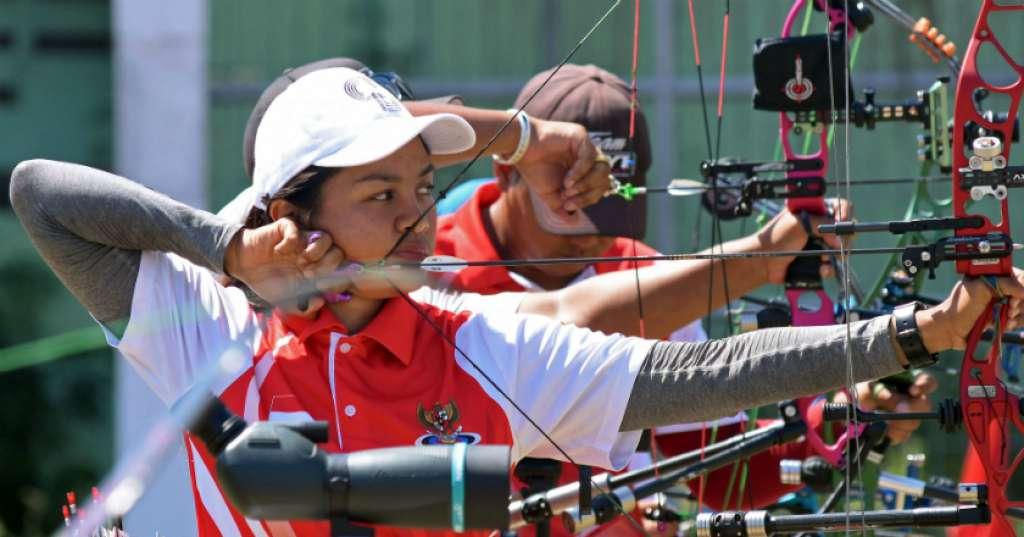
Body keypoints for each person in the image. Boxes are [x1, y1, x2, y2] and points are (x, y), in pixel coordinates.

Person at [11, 67, 1022, 537]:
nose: (415, 219)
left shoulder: (478, 343)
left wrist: (911, 334)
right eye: (380, 195)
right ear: (296, 214)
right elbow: (40, 197)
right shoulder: (211, 322)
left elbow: (693, 377)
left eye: (418, 192)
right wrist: (223, 246)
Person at [432, 63, 937, 523]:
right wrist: (757, 260)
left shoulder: (645, 271)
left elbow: (714, 471)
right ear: (506, 171)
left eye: (611, 202)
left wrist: (839, 420)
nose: (594, 234)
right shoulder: (431, 270)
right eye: (570, 207)